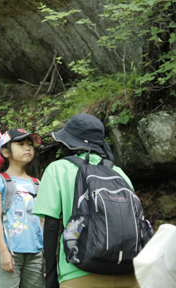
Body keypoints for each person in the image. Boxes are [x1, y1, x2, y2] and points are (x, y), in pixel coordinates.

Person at [33, 113, 140, 288]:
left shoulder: (58, 169)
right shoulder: (119, 173)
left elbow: (51, 227)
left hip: (79, 273)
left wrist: (50, 277)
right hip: (128, 272)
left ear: (69, 143)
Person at [0, 129, 44, 288]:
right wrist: (3, 251)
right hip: (11, 250)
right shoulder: (0, 180)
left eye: (30, 145)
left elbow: (42, 219)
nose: (27, 148)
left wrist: (45, 252)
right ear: (6, 152)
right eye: (20, 144)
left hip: (35, 252)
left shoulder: (36, 183)